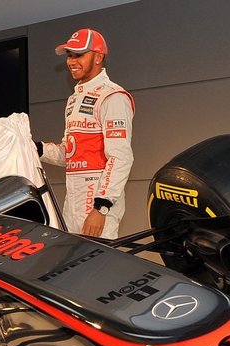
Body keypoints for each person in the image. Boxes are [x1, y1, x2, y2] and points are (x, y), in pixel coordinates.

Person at [38, 28, 135, 239]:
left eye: (79, 54)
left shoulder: (113, 96)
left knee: (99, 269)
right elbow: (69, 154)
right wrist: (36, 149)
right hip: (72, 203)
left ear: (98, 57)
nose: (71, 61)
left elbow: (120, 157)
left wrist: (101, 207)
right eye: (69, 55)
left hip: (98, 205)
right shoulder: (73, 99)